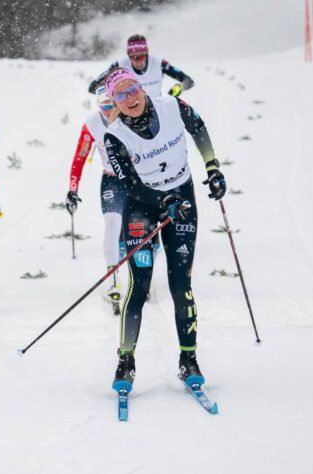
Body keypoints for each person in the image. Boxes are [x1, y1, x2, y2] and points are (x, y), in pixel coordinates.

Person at [101, 68, 226, 393]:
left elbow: (198, 127)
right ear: (113, 101)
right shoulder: (114, 136)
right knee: (139, 286)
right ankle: (125, 361)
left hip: (181, 201)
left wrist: (212, 167)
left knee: (180, 282)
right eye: (121, 95)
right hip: (142, 208)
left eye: (132, 90)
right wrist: (164, 199)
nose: (130, 99)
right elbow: (129, 184)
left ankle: (189, 360)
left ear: (141, 88)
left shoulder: (173, 107)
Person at [65, 86, 125, 313]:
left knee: (138, 227)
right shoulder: (92, 123)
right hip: (111, 180)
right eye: (105, 107)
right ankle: (112, 276)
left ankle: (142, 275)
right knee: (112, 223)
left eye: (113, 105)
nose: (110, 112)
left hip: (136, 180)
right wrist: (72, 190)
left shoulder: (130, 113)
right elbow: (79, 158)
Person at [88, 34, 195, 98]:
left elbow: (188, 81)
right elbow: (93, 87)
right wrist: (116, 92)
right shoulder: (119, 65)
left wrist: (178, 88)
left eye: (142, 56)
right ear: (128, 55)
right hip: (131, 110)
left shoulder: (159, 63)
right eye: (133, 57)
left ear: (147, 53)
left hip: (156, 108)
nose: (138, 61)